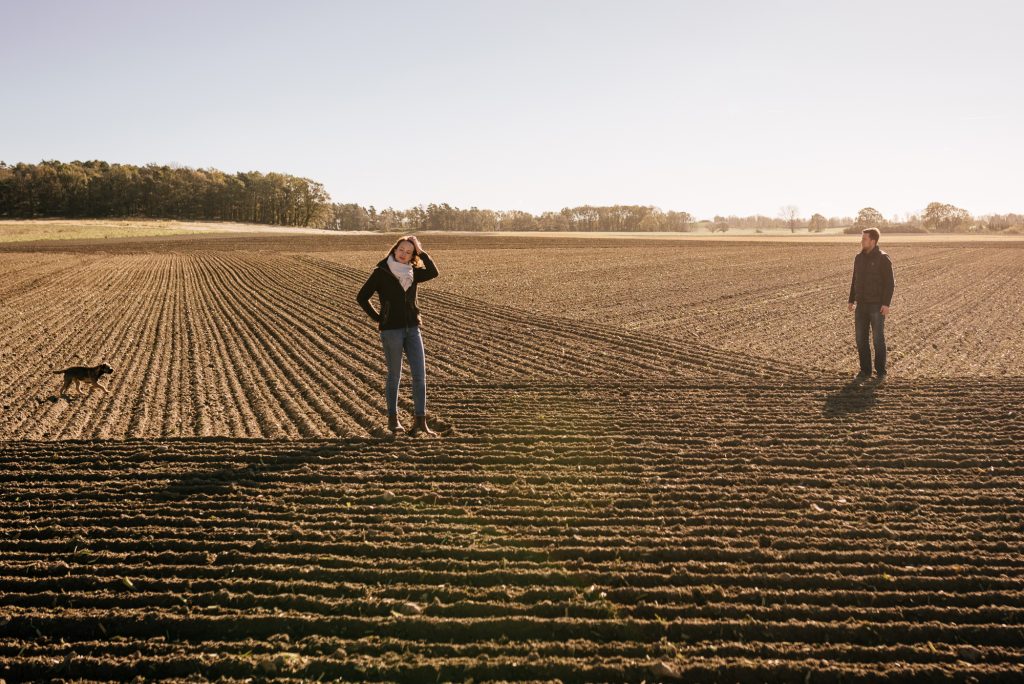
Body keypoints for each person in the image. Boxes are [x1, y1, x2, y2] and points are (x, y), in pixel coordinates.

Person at [356, 235, 439, 435]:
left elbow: (434, 272)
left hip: (413, 328)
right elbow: (362, 297)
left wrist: (421, 252)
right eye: (401, 249)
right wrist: (378, 317)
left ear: (412, 256)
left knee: (420, 376)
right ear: (394, 250)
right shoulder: (381, 272)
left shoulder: (414, 272)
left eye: (409, 252)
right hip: (391, 330)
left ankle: (420, 421)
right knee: (395, 376)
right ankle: (393, 420)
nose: (404, 254)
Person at [847, 227, 895, 381]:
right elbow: (855, 280)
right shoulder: (858, 258)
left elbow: (890, 283)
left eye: (864, 239)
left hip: (876, 305)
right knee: (861, 339)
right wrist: (851, 299)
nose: (861, 241)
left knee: (877, 339)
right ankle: (865, 371)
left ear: (873, 241)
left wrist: (886, 304)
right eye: (862, 239)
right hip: (861, 305)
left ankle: (881, 372)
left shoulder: (883, 258)